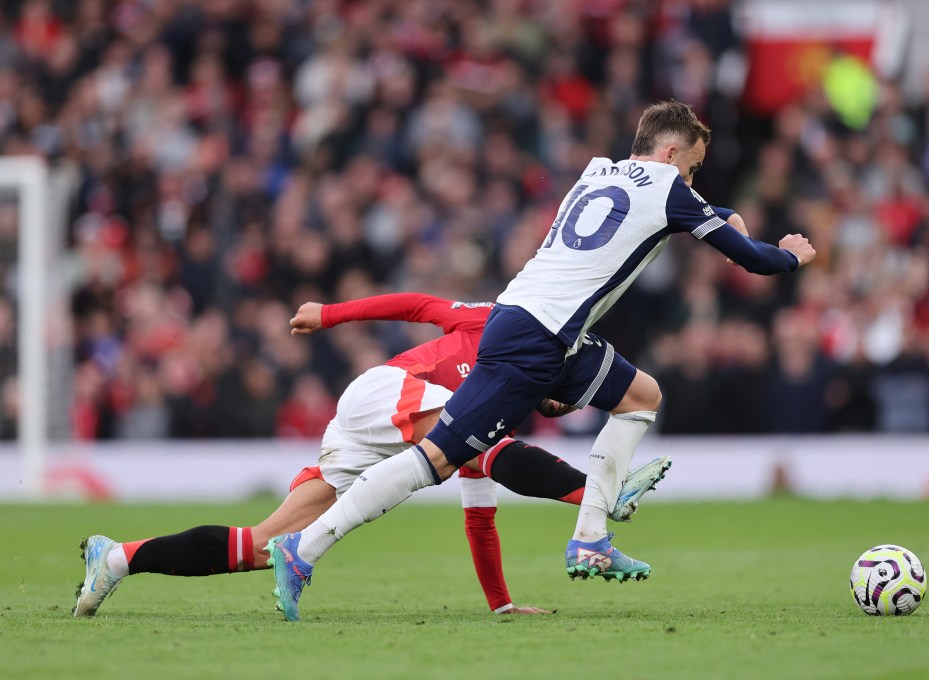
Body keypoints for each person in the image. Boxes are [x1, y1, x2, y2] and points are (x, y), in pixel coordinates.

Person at [267, 99, 816, 622]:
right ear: (672, 155)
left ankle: (591, 537)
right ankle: (303, 548)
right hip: (533, 338)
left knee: (641, 397)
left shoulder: (598, 170)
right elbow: (754, 261)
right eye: (693, 168)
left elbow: (676, 213)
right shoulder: (671, 189)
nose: (692, 181)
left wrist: (722, 213)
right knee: (435, 461)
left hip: (545, 330)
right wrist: (792, 254)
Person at [74, 293, 671, 618]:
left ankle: (119, 559)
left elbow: (479, 513)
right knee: (489, 449)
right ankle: (604, 499)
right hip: (384, 391)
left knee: (259, 548)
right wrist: (328, 315)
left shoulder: (492, 409)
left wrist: (502, 605)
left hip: (365, 428)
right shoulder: (500, 321)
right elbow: (415, 305)